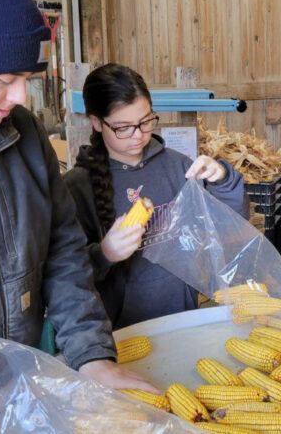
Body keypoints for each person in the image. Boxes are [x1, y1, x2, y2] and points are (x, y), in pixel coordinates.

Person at [0, 0, 158, 399]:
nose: (21, 96)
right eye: (5, 79)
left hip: (16, 387)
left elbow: (61, 248)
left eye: (27, 77)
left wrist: (91, 355)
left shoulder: (22, 135)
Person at [64, 63, 249, 328]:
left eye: (146, 121)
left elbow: (233, 221)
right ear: (96, 123)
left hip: (181, 317)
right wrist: (103, 253)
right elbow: (65, 276)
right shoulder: (76, 187)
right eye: (123, 127)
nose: (138, 135)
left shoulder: (178, 166)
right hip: (119, 332)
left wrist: (222, 178)